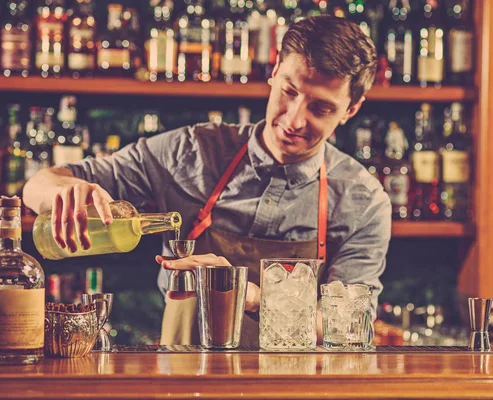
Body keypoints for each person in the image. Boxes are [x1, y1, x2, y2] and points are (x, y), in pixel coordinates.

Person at [23, 15, 392, 346]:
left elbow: (348, 327)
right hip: (184, 384)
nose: (294, 119)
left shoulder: (362, 200)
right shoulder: (191, 151)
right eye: (289, 92)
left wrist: (249, 297)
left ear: (351, 109)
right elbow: (36, 186)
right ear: (274, 70)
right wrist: (65, 191)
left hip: (293, 389)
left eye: (321, 107)